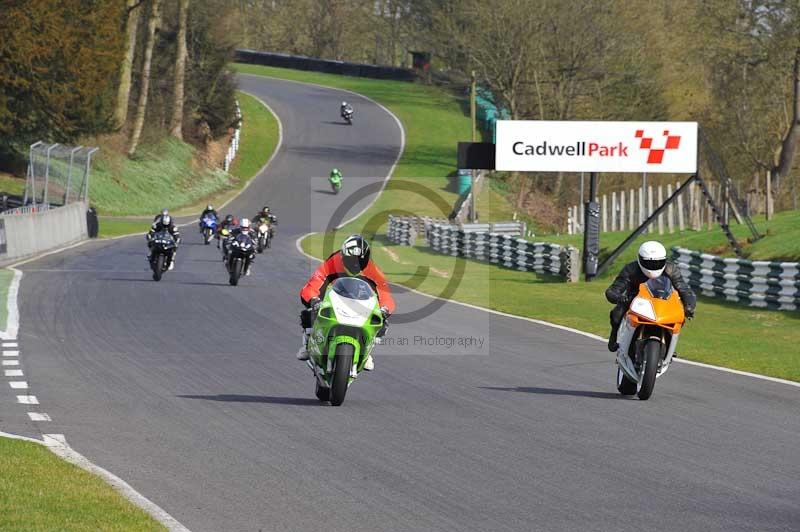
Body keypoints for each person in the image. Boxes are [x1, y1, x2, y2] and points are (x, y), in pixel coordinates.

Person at [297, 235, 395, 371]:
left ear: (366, 259)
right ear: (343, 256)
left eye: (360, 261)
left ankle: (367, 351)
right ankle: (309, 343)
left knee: (382, 323)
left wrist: (384, 309)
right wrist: (314, 300)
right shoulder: (332, 262)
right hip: (334, 297)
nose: (355, 265)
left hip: (360, 302)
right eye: (351, 260)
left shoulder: (373, 270)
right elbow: (313, 284)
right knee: (308, 313)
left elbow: (385, 295)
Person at [605, 241, 696, 352]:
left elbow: (684, 289)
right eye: (649, 263)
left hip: (663, 300)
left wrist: (689, 306)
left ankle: (669, 343)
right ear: (640, 260)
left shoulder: (671, 269)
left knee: (679, 316)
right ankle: (614, 336)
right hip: (636, 299)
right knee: (617, 313)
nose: (653, 266)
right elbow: (613, 289)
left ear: (664, 260)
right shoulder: (631, 269)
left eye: (658, 263)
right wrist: (619, 297)